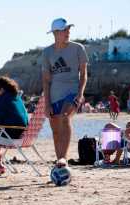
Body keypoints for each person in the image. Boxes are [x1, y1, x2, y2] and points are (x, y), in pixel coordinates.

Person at [42, 18, 88, 168]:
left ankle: (64, 158)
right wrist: (46, 104)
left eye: (69, 29)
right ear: (55, 33)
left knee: (65, 117)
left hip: (72, 92)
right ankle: (60, 162)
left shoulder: (78, 48)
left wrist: (80, 94)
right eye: (64, 30)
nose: (68, 32)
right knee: (55, 131)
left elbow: (84, 74)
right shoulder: (47, 52)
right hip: (54, 95)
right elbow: (46, 80)